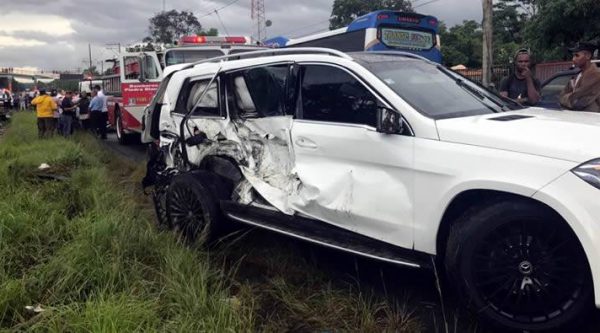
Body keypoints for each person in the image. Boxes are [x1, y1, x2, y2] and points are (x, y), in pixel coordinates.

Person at [559, 41, 600, 112]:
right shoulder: (578, 74)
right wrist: (566, 98)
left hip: (590, 119)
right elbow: (561, 95)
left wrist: (565, 98)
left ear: (588, 56)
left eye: (577, 55)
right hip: (579, 118)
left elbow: (576, 100)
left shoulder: (595, 75)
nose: (573, 59)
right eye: (573, 56)